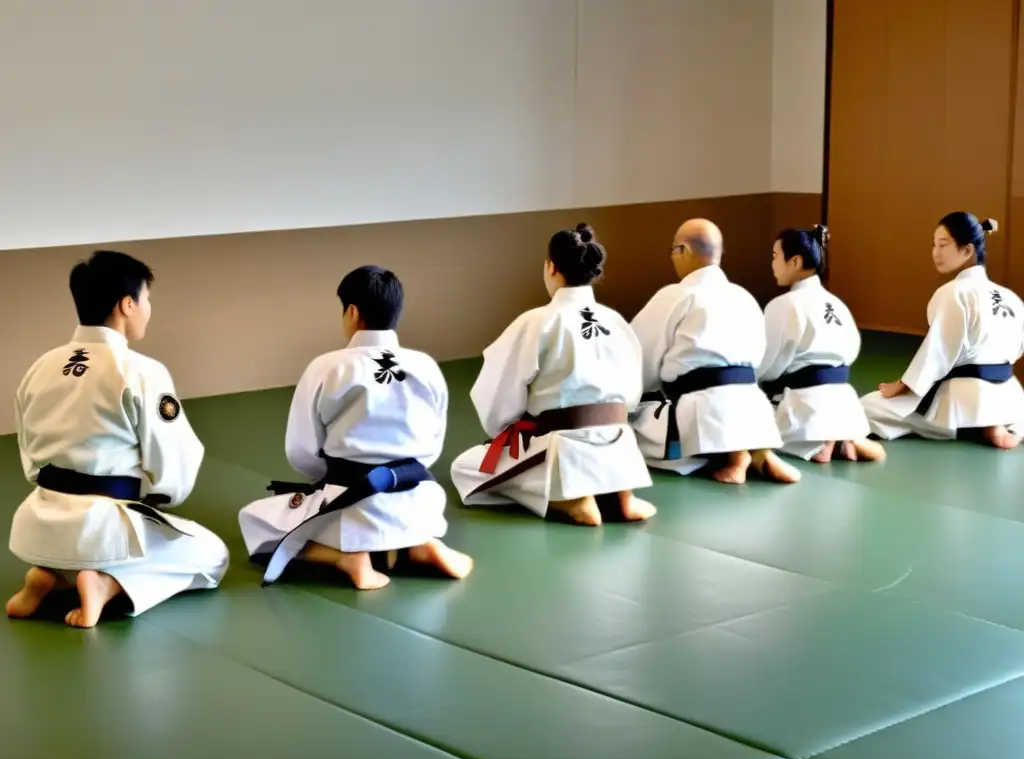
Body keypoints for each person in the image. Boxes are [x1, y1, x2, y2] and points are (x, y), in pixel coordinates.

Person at [5, 251, 228, 629]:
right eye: (146, 299)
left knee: (84, 542)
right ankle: (107, 584)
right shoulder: (141, 370)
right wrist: (162, 500)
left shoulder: (40, 366)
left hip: (40, 520)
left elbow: (29, 455)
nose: (148, 309)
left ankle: (52, 574)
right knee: (213, 556)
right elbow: (173, 459)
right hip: (104, 524)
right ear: (127, 304)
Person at [238, 266, 472, 590]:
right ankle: (417, 545)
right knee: (411, 507)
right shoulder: (426, 366)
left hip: (349, 501)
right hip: (419, 497)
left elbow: (301, 450)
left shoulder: (326, 366)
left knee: (256, 519)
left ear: (351, 311)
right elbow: (432, 446)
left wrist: (327, 478)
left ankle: (346, 557)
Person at [449, 223, 655, 526]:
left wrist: (505, 428)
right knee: (605, 428)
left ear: (551, 267)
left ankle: (570, 497)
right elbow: (632, 393)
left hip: (563, 444)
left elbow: (498, 392)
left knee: (464, 467)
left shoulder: (537, 321)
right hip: (618, 439)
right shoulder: (616, 321)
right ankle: (621, 493)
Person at [630, 218, 800, 484]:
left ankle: (730, 455)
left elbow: (638, 358)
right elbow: (758, 360)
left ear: (684, 251)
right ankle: (754, 450)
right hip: (754, 409)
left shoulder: (677, 295)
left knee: (632, 427)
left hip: (700, 413)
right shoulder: (745, 297)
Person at [861, 213, 1024, 447]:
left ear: (967, 251)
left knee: (869, 406)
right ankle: (1002, 422)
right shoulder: (1010, 298)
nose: (935, 252)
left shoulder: (953, 292)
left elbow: (938, 354)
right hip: (1011, 396)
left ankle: (976, 428)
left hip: (965, 398)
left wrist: (901, 385)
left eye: (943, 245)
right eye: (934, 245)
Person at [757, 225, 885, 463]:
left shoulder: (783, 304)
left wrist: (751, 381)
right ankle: (844, 438)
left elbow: (769, 366)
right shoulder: (837, 303)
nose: (772, 264)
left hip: (806, 407)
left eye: (775, 256)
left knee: (745, 422)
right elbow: (851, 352)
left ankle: (820, 443)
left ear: (794, 261)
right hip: (846, 404)